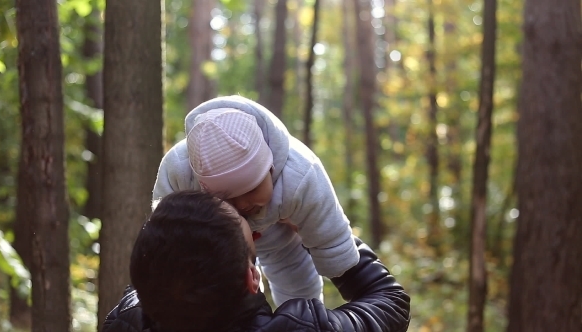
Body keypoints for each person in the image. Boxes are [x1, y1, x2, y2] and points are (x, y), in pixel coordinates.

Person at [102, 190, 411, 332]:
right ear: (253, 277)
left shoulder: (126, 321)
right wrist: (320, 231)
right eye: (249, 227)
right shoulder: (299, 329)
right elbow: (391, 302)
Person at [152, 95, 359, 305]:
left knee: (298, 290)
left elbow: (324, 218)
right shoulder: (179, 171)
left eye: (252, 188)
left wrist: (337, 258)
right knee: (225, 297)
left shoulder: (299, 174)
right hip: (220, 245)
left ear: (270, 167)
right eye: (226, 198)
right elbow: (167, 220)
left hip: (280, 238)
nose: (242, 205)